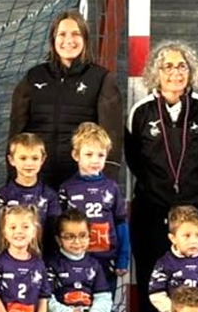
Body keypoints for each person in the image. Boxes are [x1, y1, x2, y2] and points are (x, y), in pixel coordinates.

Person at [126, 40, 198, 312]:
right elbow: (135, 161)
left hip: (197, 211)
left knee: (197, 280)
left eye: (182, 66)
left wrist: (193, 193)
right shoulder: (140, 112)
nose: (175, 72)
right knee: (152, 279)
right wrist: (160, 193)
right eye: (167, 66)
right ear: (155, 72)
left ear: (191, 71)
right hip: (152, 210)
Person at [8, 10, 122, 187]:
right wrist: (13, 178)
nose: (69, 40)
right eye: (62, 34)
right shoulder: (33, 77)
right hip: (38, 179)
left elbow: (111, 137)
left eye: (76, 34)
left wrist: (106, 183)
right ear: (53, 39)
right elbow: (16, 132)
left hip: (81, 180)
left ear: (85, 39)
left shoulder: (101, 79)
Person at [58, 122, 129, 290]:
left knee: (104, 301)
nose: (95, 160)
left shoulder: (111, 188)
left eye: (100, 155)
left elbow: (121, 223)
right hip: (75, 259)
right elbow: (58, 226)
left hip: (106, 259)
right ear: (76, 155)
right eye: (89, 154)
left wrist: (123, 258)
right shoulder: (67, 188)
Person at [0, 133, 61, 256]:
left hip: (43, 258)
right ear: (11, 160)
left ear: (43, 159)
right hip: (10, 258)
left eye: (34, 158)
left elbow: (53, 232)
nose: (29, 164)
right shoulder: (3, 195)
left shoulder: (49, 195)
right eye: (23, 158)